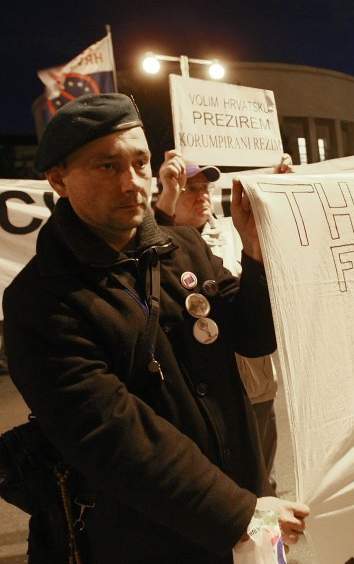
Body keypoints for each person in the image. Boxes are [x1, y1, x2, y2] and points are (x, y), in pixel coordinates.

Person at [2, 93, 309, 563]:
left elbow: (254, 336)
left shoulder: (183, 247)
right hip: (148, 537)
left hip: (248, 513)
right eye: (107, 167)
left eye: (140, 163)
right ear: (58, 179)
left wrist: (257, 249)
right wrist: (238, 512)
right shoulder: (40, 300)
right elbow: (112, 435)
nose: (132, 184)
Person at [153, 151, 292, 491]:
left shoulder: (232, 232)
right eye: (190, 188)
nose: (202, 195)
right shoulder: (152, 247)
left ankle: (269, 542)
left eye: (205, 188)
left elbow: (259, 296)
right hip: (197, 393)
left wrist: (276, 191)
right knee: (212, 488)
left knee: (261, 484)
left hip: (254, 382)